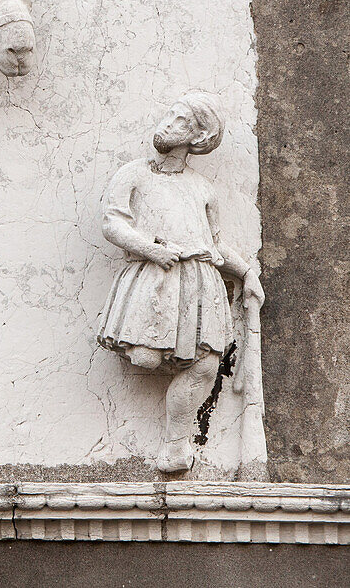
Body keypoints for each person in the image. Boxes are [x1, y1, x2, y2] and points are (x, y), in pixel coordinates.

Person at [96, 91, 264, 473]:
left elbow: (215, 243)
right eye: (170, 115)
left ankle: (175, 445)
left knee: (204, 367)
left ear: (198, 138)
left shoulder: (202, 188)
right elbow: (113, 222)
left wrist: (247, 272)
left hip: (199, 279)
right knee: (144, 356)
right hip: (156, 272)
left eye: (182, 121)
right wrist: (150, 249)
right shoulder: (134, 173)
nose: (168, 124)